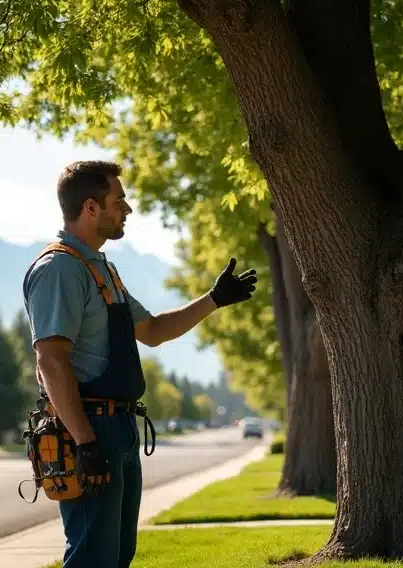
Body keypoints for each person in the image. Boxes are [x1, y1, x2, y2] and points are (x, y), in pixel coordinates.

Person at [22, 160, 257, 568]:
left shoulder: (102, 270)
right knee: (92, 557)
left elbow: (153, 330)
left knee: (117, 557)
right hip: (90, 429)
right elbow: (51, 362)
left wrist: (214, 299)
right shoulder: (59, 269)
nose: (127, 209)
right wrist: (85, 442)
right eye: (119, 200)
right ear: (91, 208)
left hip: (119, 429)